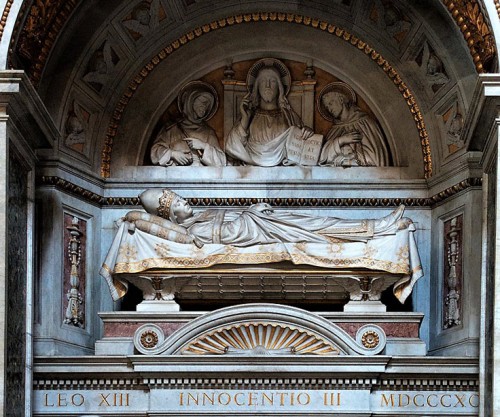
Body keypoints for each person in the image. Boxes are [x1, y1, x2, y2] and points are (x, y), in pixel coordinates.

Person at [138, 189, 411, 247]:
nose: (186, 201)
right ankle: (379, 229)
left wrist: (252, 210)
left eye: (180, 197)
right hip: (269, 231)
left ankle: (378, 227)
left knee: (319, 221)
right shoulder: (193, 233)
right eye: (178, 202)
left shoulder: (204, 215)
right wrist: (251, 215)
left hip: (271, 223)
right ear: (171, 214)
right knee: (319, 227)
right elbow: (235, 235)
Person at [225, 58, 313, 166]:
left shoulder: (290, 117)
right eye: (263, 81)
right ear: (257, 87)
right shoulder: (249, 116)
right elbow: (232, 146)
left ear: (279, 87)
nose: (267, 86)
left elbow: (302, 145)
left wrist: (307, 133)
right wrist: (245, 120)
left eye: (272, 81)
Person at [150, 81, 226, 167]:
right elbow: (155, 152)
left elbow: (221, 162)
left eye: (208, 105)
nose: (205, 107)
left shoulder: (208, 132)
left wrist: (203, 146)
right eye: (203, 102)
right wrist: (173, 154)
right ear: (191, 100)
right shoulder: (171, 128)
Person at [318, 82, 389, 167]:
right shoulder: (334, 130)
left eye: (330, 103)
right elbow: (322, 160)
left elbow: (376, 159)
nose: (329, 109)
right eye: (327, 107)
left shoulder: (366, 123)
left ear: (341, 99)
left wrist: (349, 159)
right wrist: (341, 140)